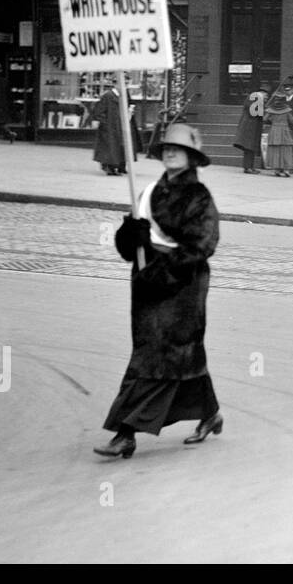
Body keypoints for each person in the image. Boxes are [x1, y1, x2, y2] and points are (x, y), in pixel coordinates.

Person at [95, 124, 223, 458]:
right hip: (147, 286)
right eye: (166, 148)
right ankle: (209, 414)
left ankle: (126, 433)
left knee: (157, 358)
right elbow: (127, 248)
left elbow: (201, 245)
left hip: (181, 289)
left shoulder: (199, 197)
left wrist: (162, 273)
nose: (169, 152)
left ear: (191, 156)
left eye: (177, 149)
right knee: (180, 356)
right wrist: (130, 234)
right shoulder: (149, 191)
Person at [89, 81, 136, 177]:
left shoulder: (124, 95)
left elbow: (129, 106)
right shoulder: (108, 95)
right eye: (123, 84)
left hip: (121, 124)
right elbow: (100, 109)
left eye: (126, 84)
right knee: (110, 147)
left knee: (120, 146)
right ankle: (109, 167)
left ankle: (119, 166)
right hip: (110, 125)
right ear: (116, 84)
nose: (125, 86)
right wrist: (102, 122)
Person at [233, 81, 271, 174]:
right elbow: (255, 112)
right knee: (249, 147)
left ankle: (250, 166)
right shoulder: (256, 98)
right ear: (262, 93)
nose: (266, 97)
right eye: (266, 95)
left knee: (251, 147)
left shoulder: (255, 98)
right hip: (250, 127)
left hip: (252, 126)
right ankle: (248, 167)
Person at [263, 86, 293, 177]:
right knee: (286, 149)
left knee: (275, 150)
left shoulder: (271, 110)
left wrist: (272, 120)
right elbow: (292, 120)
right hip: (285, 130)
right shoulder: (287, 110)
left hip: (274, 130)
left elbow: (265, 119)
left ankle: (277, 169)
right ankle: (286, 169)